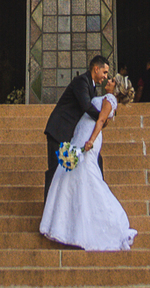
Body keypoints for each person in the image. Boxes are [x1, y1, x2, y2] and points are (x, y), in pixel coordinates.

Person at [39, 84, 137, 251]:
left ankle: (112, 222)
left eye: (112, 80)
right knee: (75, 176)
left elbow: (100, 120)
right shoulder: (109, 100)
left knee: (88, 177)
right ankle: (70, 226)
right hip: (82, 136)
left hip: (87, 140)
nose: (108, 80)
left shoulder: (109, 99)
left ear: (116, 89)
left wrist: (90, 141)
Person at [43, 55, 109, 192]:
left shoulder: (92, 87)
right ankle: (48, 209)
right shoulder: (81, 81)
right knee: (55, 171)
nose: (106, 77)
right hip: (59, 131)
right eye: (105, 72)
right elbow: (86, 105)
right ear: (96, 69)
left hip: (71, 134)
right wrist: (101, 117)